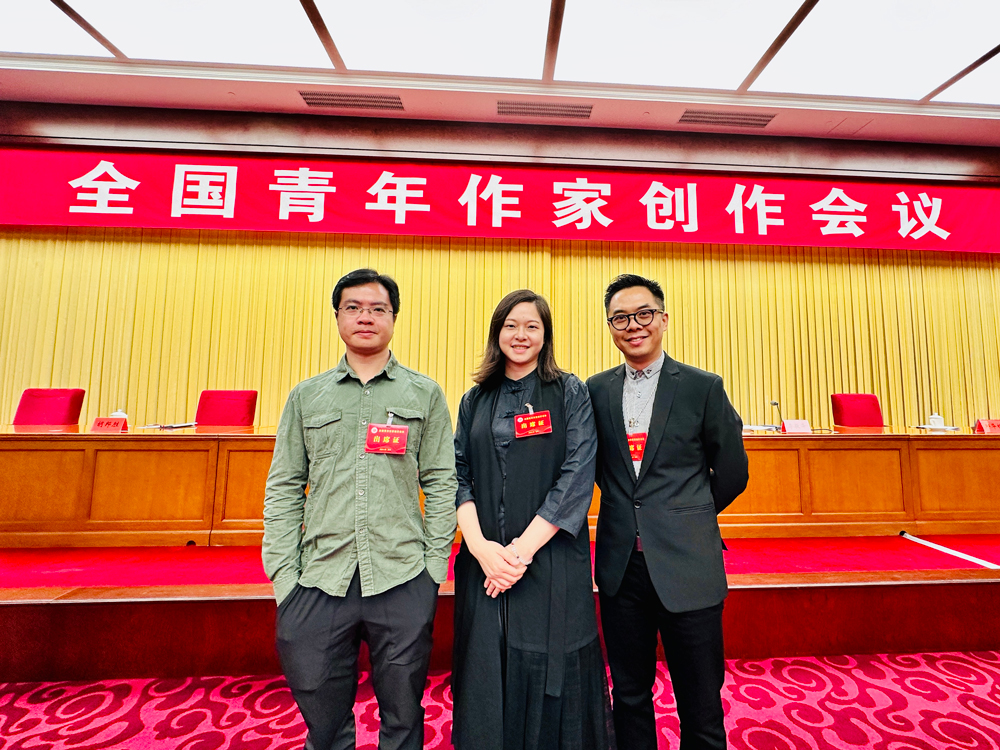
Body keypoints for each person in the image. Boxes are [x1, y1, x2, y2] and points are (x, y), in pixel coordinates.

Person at [262, 268, 457, 750]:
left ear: (393, 318)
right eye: (353, 308)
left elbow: (441, 482)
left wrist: (433, 568)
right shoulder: (307, 395)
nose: (365, 317)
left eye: (377, 309)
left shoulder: (424, 393)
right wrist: (284, 575)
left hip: (402, 575)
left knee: (404, 713)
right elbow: (284, 486)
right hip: (319, 577)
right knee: (323, 719)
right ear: (338, 317)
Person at [587, 274, 748, 750]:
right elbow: (601, 470)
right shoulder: (595, 390)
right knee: (629, 695)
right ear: (610, 327)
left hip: (688, 565)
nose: (633, 325)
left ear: (663, 319)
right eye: (620, 318)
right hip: (621, 570)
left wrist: (684, 515)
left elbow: (733, 472)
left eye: (644, 314)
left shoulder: (702, 387)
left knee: (700, 704)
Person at [451, 289, 615, 750]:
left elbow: (577, 475)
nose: (520, 335)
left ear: (545, 336)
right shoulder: (474, 399)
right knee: (486, 664)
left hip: (548, 557)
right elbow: (457, 473)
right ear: (496, 332)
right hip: (484, 563)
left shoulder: (568, 392)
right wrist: (482, 549)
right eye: (511, 325)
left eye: (532, 326)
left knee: (547, 668)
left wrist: (519, 554)